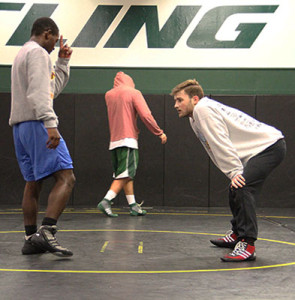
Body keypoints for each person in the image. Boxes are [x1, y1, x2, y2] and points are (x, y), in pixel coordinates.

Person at [171, 79, 286, 262]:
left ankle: (247, 245)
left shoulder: (203, 109)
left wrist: (234, 171)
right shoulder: (195, 117)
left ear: (194, 99)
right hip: (258, 150)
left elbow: (220, 141)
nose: (175, 105)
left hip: (269, 147)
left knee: (242, 187)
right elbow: (213, 148)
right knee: (236, 187)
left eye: (179, 100)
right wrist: (233, 174)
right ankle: (236, 233)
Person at [9, 17, 75, 257]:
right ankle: (47, 231)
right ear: (47, 33)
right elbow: (40, 96)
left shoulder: (22, 54)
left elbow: (50, 90)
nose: (55, 46)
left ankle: (30, 239)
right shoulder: (38, 53)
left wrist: (63, 62)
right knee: (66, 177)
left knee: (33, 181)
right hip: (37, 123)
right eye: (55, 41)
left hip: (20, 127)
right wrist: (51, 124)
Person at [97, 72, 167, 217]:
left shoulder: (109, 95)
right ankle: (106, 200)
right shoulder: (134, 93)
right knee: (125, 174)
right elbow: (146, 115)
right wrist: (158, 132)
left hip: (114, 141)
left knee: (125, 174)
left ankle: (133, 205)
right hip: (127, 140)